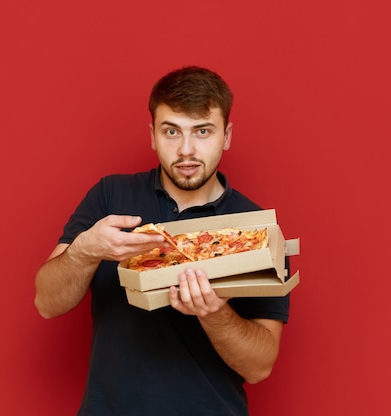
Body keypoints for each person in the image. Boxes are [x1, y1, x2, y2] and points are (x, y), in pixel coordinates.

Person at [34, 66, 290, 416]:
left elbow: (259, 367)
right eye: (172, 131)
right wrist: (84, 251)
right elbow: (46, 303)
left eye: (203, 131)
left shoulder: (256, 230)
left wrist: (213, 313)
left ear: (226, 136)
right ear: (152, 134)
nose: (186, 150)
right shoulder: (110, 196)